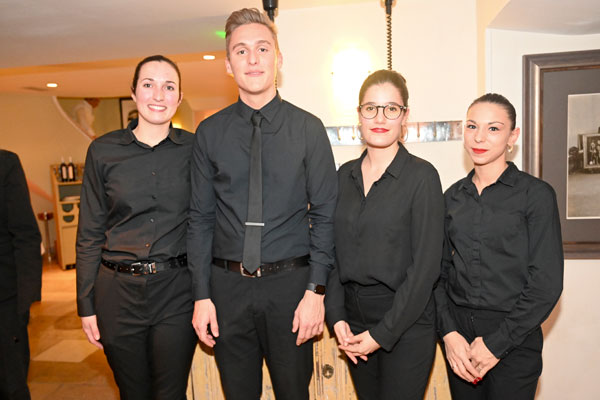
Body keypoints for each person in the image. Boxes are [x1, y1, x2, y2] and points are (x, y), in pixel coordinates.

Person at [187, 8, 337, 400]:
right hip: (227, 291)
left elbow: (325, 216)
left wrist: (316, 292)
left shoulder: (308, 129)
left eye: (262, 48)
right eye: (241, 51)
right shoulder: (209, 133)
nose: (252, 59)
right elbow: (200, 220)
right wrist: (201, 295)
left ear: (278, 58)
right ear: (228, 64)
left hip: (292, 290)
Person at [76, 55, 197, 400]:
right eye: (148, 84)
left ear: (179, 96)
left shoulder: (196, 149)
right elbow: (89, 234)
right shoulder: (103, 151)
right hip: (117, 294)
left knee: (170, 393)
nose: (158, 95)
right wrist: (86, 303)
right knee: (132, 392)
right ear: (133, 92)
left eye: (168, 87)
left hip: (176, 291)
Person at [325, 70, 444, 400]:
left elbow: (425, 269)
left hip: (406, 323)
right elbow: (331, 253)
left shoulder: (422, 177)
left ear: (405, 116)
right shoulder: (342, 176)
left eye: (391, 108)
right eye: (371, 108)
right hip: (353, 322)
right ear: (359, 115)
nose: (380, 118)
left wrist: (382, 334)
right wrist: (336, 317)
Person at [434, 93, 563, 399]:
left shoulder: (536, 195)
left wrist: (496, 344)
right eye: (472, 126)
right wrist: (449, 333)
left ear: (512, 137)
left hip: (514, 336)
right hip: (460, 340)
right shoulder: (451, 198)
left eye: (493, 128)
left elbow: (546, 284)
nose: (479, 137)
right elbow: (437, 274)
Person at [0, 150, 42, 400]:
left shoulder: (5, 164)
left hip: (5, 302)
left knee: (10, 383)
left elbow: (26, 234)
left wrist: (24, 303)